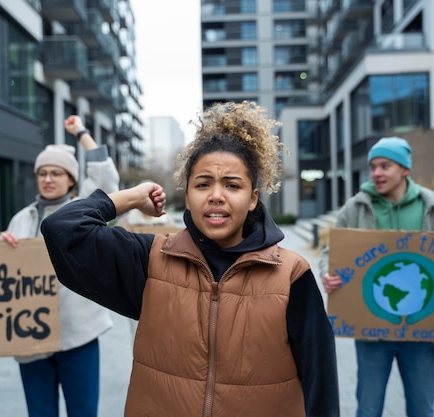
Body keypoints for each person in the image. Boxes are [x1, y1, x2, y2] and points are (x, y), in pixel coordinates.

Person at [41, 101, 340, 417]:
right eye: (202, 184)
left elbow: (321, 384)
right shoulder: (150, 260)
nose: (216, 195)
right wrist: (131, 197)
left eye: (232, 185)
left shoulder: (291, 275)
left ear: (254, 198)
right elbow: (63, 230)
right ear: (186, 196)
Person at [319, 137, 434, 417]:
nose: (376, 172)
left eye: (384, 166)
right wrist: (328, 272)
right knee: (368, 408)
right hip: (372, 334)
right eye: (373, 166)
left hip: (421, 334)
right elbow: (332, 251)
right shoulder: (356, 207)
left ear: (404, 170)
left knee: (422, 409)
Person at [0, 115, 120, 417]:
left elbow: (106, 180)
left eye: (56, 173)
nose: (48, 179)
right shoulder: (21, 218)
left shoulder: (84, 211)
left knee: (82, 412)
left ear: (71, 179)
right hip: (31, 335)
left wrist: (81, 132)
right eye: (42, 173)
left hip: (77, 333)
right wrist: (1, 248)